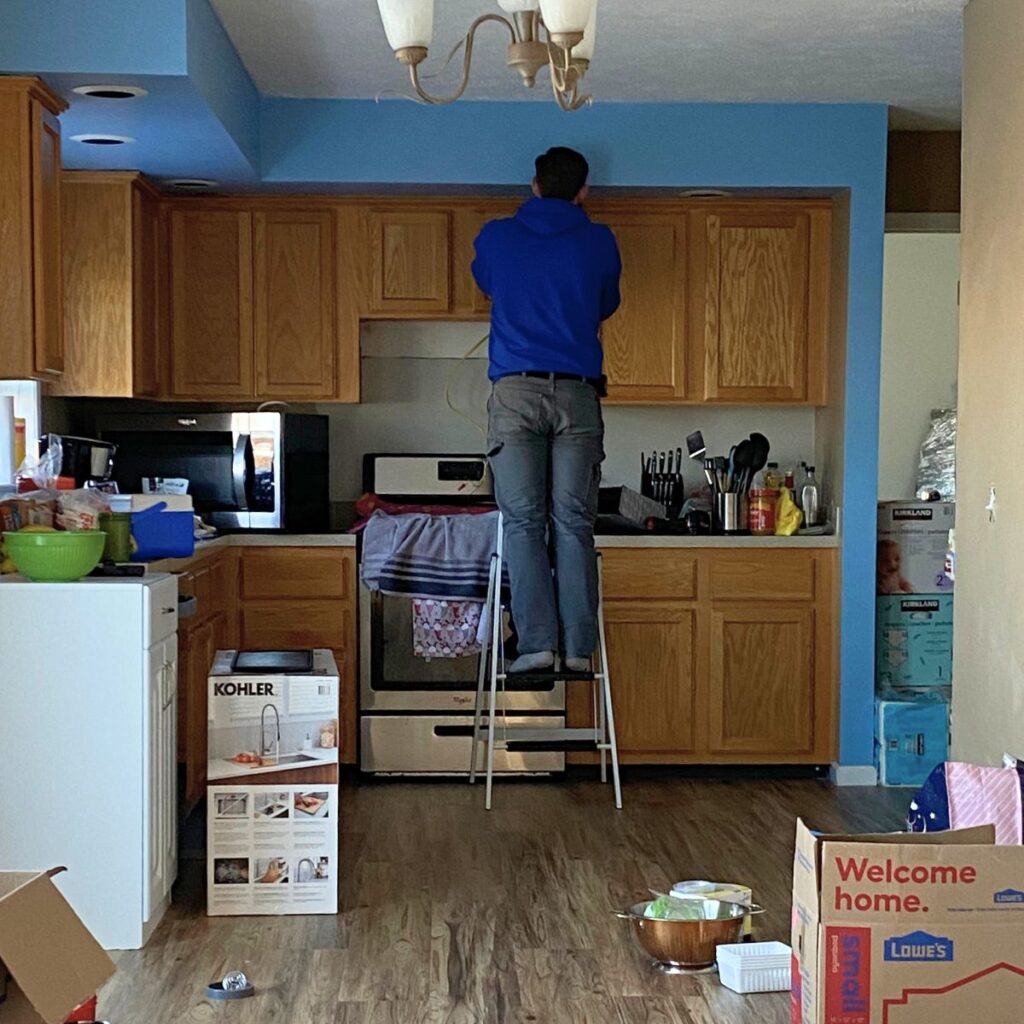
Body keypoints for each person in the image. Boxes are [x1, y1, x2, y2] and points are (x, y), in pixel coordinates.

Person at [472, 146, 622, 674]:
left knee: (523, 522)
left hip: (515, 393)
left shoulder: (496, 236)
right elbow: (605, 303)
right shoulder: (600, 241)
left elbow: (488, 282)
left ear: (533, 185)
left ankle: (537, 645)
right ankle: (579, 649)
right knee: (574, 522)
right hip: (578, 394)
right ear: (584, 192)